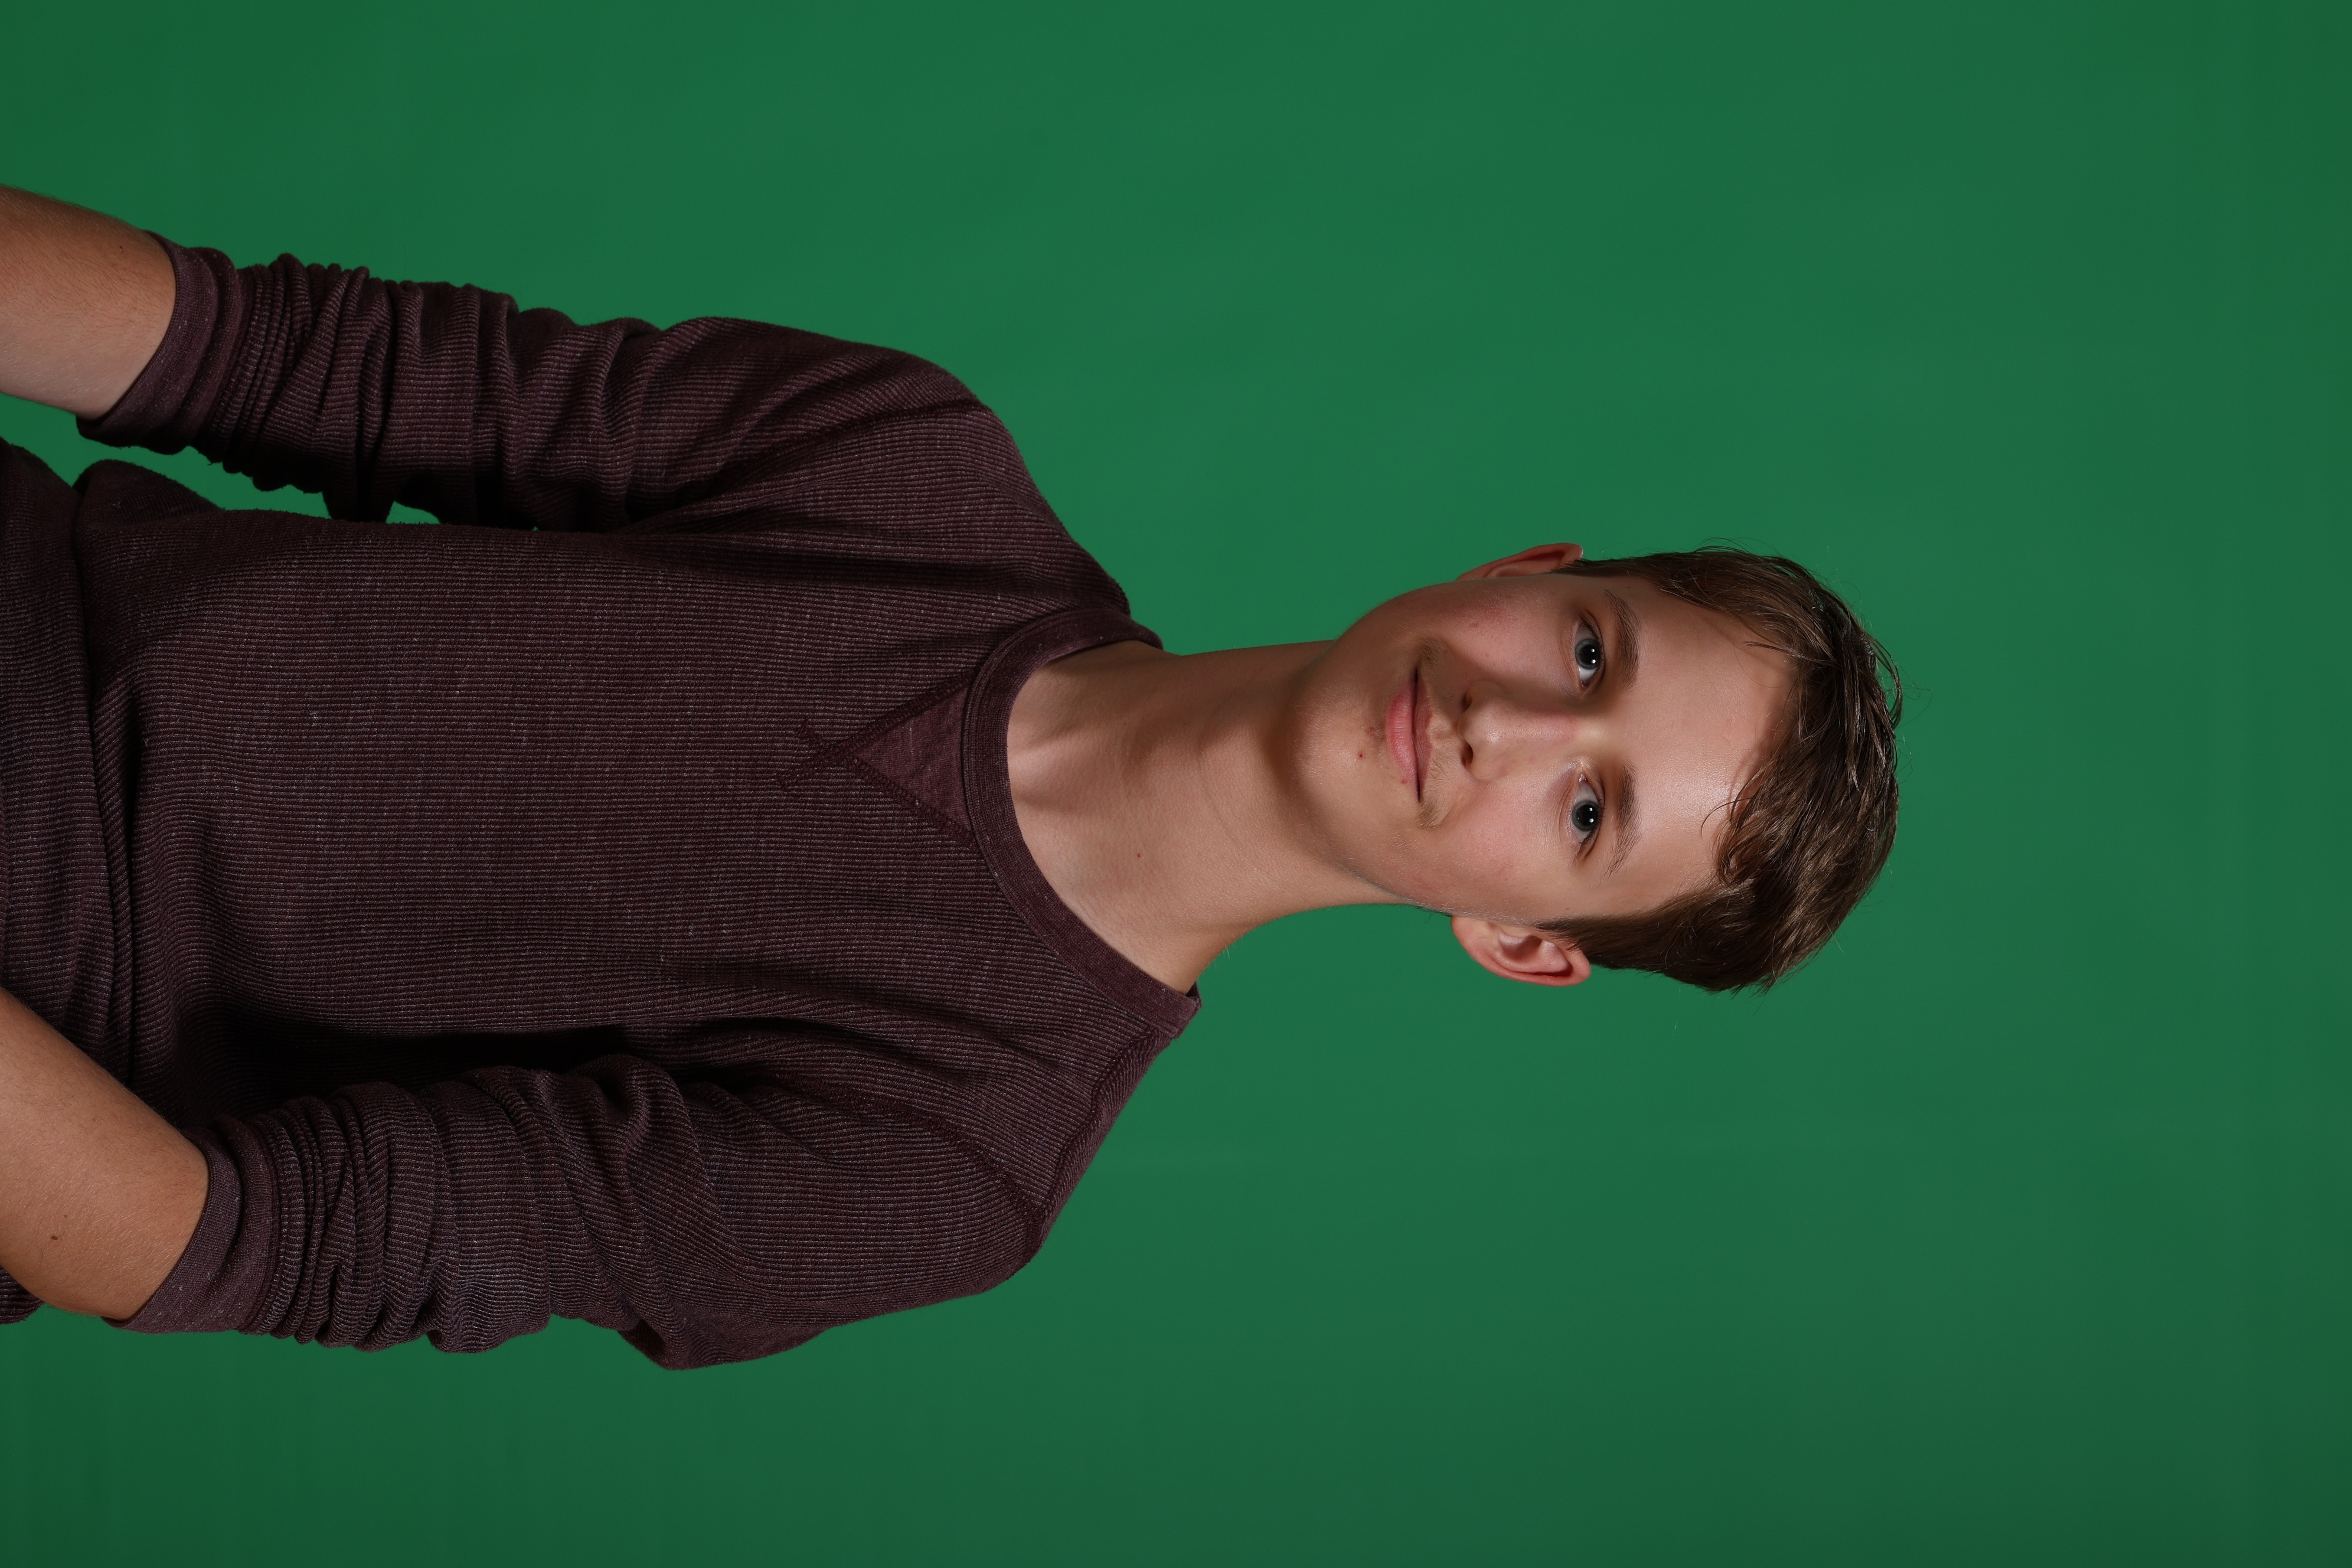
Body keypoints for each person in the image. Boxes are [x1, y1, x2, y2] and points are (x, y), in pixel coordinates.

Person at [0, 186, 1900, 1368]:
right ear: (1529, 571)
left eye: (1589, 815)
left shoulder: (948, 1160)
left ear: (1523, 941)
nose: (1518, 726)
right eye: (1591, 657)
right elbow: (283, 351)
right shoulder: (906, 464)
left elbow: (234, 1237)